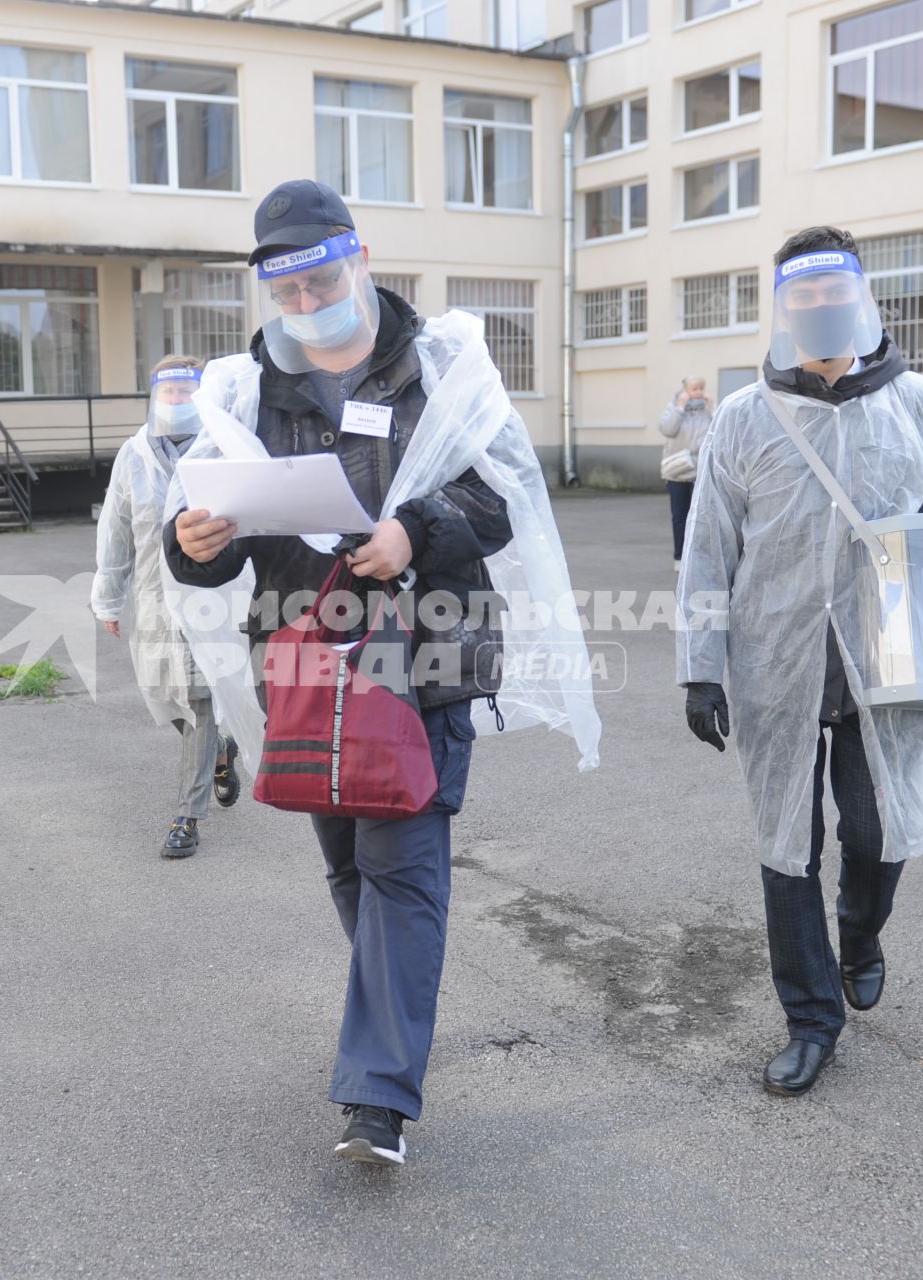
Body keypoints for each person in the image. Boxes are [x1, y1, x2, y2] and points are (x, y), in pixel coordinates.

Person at [162, 179, 524, 1168]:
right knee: (348, 864)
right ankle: (395, 1014)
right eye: (285, 294)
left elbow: (502, 502)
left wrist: (414, 530)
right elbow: (208, 534)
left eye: (319, 280)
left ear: (357, 261)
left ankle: (377, 1099)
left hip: (427, 657)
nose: (304, 305)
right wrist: (194, 539)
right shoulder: (248, 389)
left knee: (403, 869)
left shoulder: (441, 367)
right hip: (306, 664)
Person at [675, 226, 923, 1098]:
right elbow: (706, 552)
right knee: (788, 842)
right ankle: (811, 1019)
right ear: (783, 309)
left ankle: (861, 927)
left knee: (877, 829)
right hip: (775, 661)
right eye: (800, 299)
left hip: (884, 666)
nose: (817, 311)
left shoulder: (913, 403)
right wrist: (700, 665)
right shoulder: (743, 418)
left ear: (861, 299)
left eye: (831, 295)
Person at [92, 355, 240, 860]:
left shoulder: (221, 448)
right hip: (154, 602)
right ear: (156, 397)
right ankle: (221, 750)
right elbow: (116, 530)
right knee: (165, 696)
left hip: (210, 600)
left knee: (199, 700)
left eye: (186, 392)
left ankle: (187, 815)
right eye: (169, 393)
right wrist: (107, 596)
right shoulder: (133, 455)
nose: (177, 401)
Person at [659, 376, 713, 569]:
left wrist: (711, 407)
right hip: (678, 470)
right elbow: (667, 429)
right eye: (693, 388)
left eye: (701, 388)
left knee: (701, 516)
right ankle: (680, 557)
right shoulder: (674, 407)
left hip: (700, 471)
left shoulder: (706, 410)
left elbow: (718, 432)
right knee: (680, 515)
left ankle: (699, 557)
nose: (697, 391)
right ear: (684, 390)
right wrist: (680, 408)